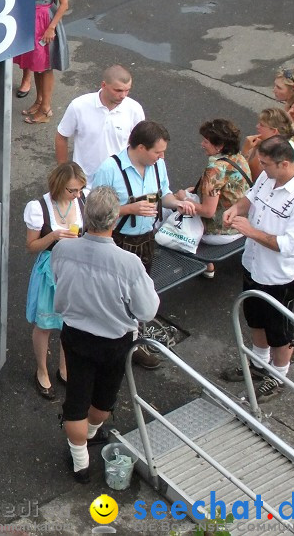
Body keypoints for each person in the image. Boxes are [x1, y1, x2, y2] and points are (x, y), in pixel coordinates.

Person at [52, 186, 159, 483]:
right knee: (103, 399)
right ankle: (89, 434)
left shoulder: (63, 248)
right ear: (114, 220)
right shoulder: (128, 264)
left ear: (87, 217)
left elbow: (58, 279)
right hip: (115, 341)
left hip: (75, 335)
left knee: (76, 398)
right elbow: (147, 310)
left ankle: (80, 460)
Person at [216, 137, 294, 402]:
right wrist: (235, 208)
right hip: (253, 264)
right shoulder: (268, 177)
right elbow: (250, 199)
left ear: (284, 163)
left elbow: (291, 246)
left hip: (279, 275)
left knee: (279, 330)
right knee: (255, 317)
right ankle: (258, 363)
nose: (259, 168)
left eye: (264, 163)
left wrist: (251, 231)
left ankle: (278, 376)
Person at [90, 120, 196, 368]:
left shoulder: (157, 165)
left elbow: (164, 194)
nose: (162, 156)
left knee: (136, 296)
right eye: (157, 151)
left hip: (146, 240)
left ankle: (132, 341)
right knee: (111, 296)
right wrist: (130, 208)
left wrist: (176, 204)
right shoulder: (110, 168)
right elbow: (95, 213)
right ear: (139, 147)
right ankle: (107, 344)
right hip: (117, 241)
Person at [24, 162, 86, 400]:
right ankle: (41, 370)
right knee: (45, 324)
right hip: (50, 268)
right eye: (72, 190)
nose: (77, 195)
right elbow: (31, 246)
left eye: (79, 189)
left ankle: (64, 367)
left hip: (75, 269)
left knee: (69, 322)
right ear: (59, 186)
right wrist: (53, 235)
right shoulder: (38, 207)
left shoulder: (82, 201)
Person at [173, 119, 252, 277]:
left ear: (219, 146)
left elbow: (208, 212)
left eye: (206, 141)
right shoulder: (239, 158)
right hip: (241, 223)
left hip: (219, 233)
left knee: (169, 211)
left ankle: (205, 264)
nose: (202, 144)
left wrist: (183, 199)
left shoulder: (215, 168)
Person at [14, 0, 69, 125]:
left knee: (45, 67)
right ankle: (38, 101)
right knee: (35, 66)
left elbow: (64, 4)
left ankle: (46, 109)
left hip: (45, 21)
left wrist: (51, 28)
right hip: (31, 21)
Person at [55, 64, 145, 183]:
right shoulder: (79, 106)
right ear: (103, 85)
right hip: (84, 183)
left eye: (127, 90)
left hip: (119, 182)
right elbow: (61, 136)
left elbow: (141, 144)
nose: (123, 95)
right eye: (118, 90)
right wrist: (64, 172)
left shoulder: (134, 109)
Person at [242, 107, 294, 182]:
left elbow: (248, 178)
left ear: (274, 131)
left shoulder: (272, 149)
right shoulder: (291, 142)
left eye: (262, 125)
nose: (257, 126)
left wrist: (246, 150)